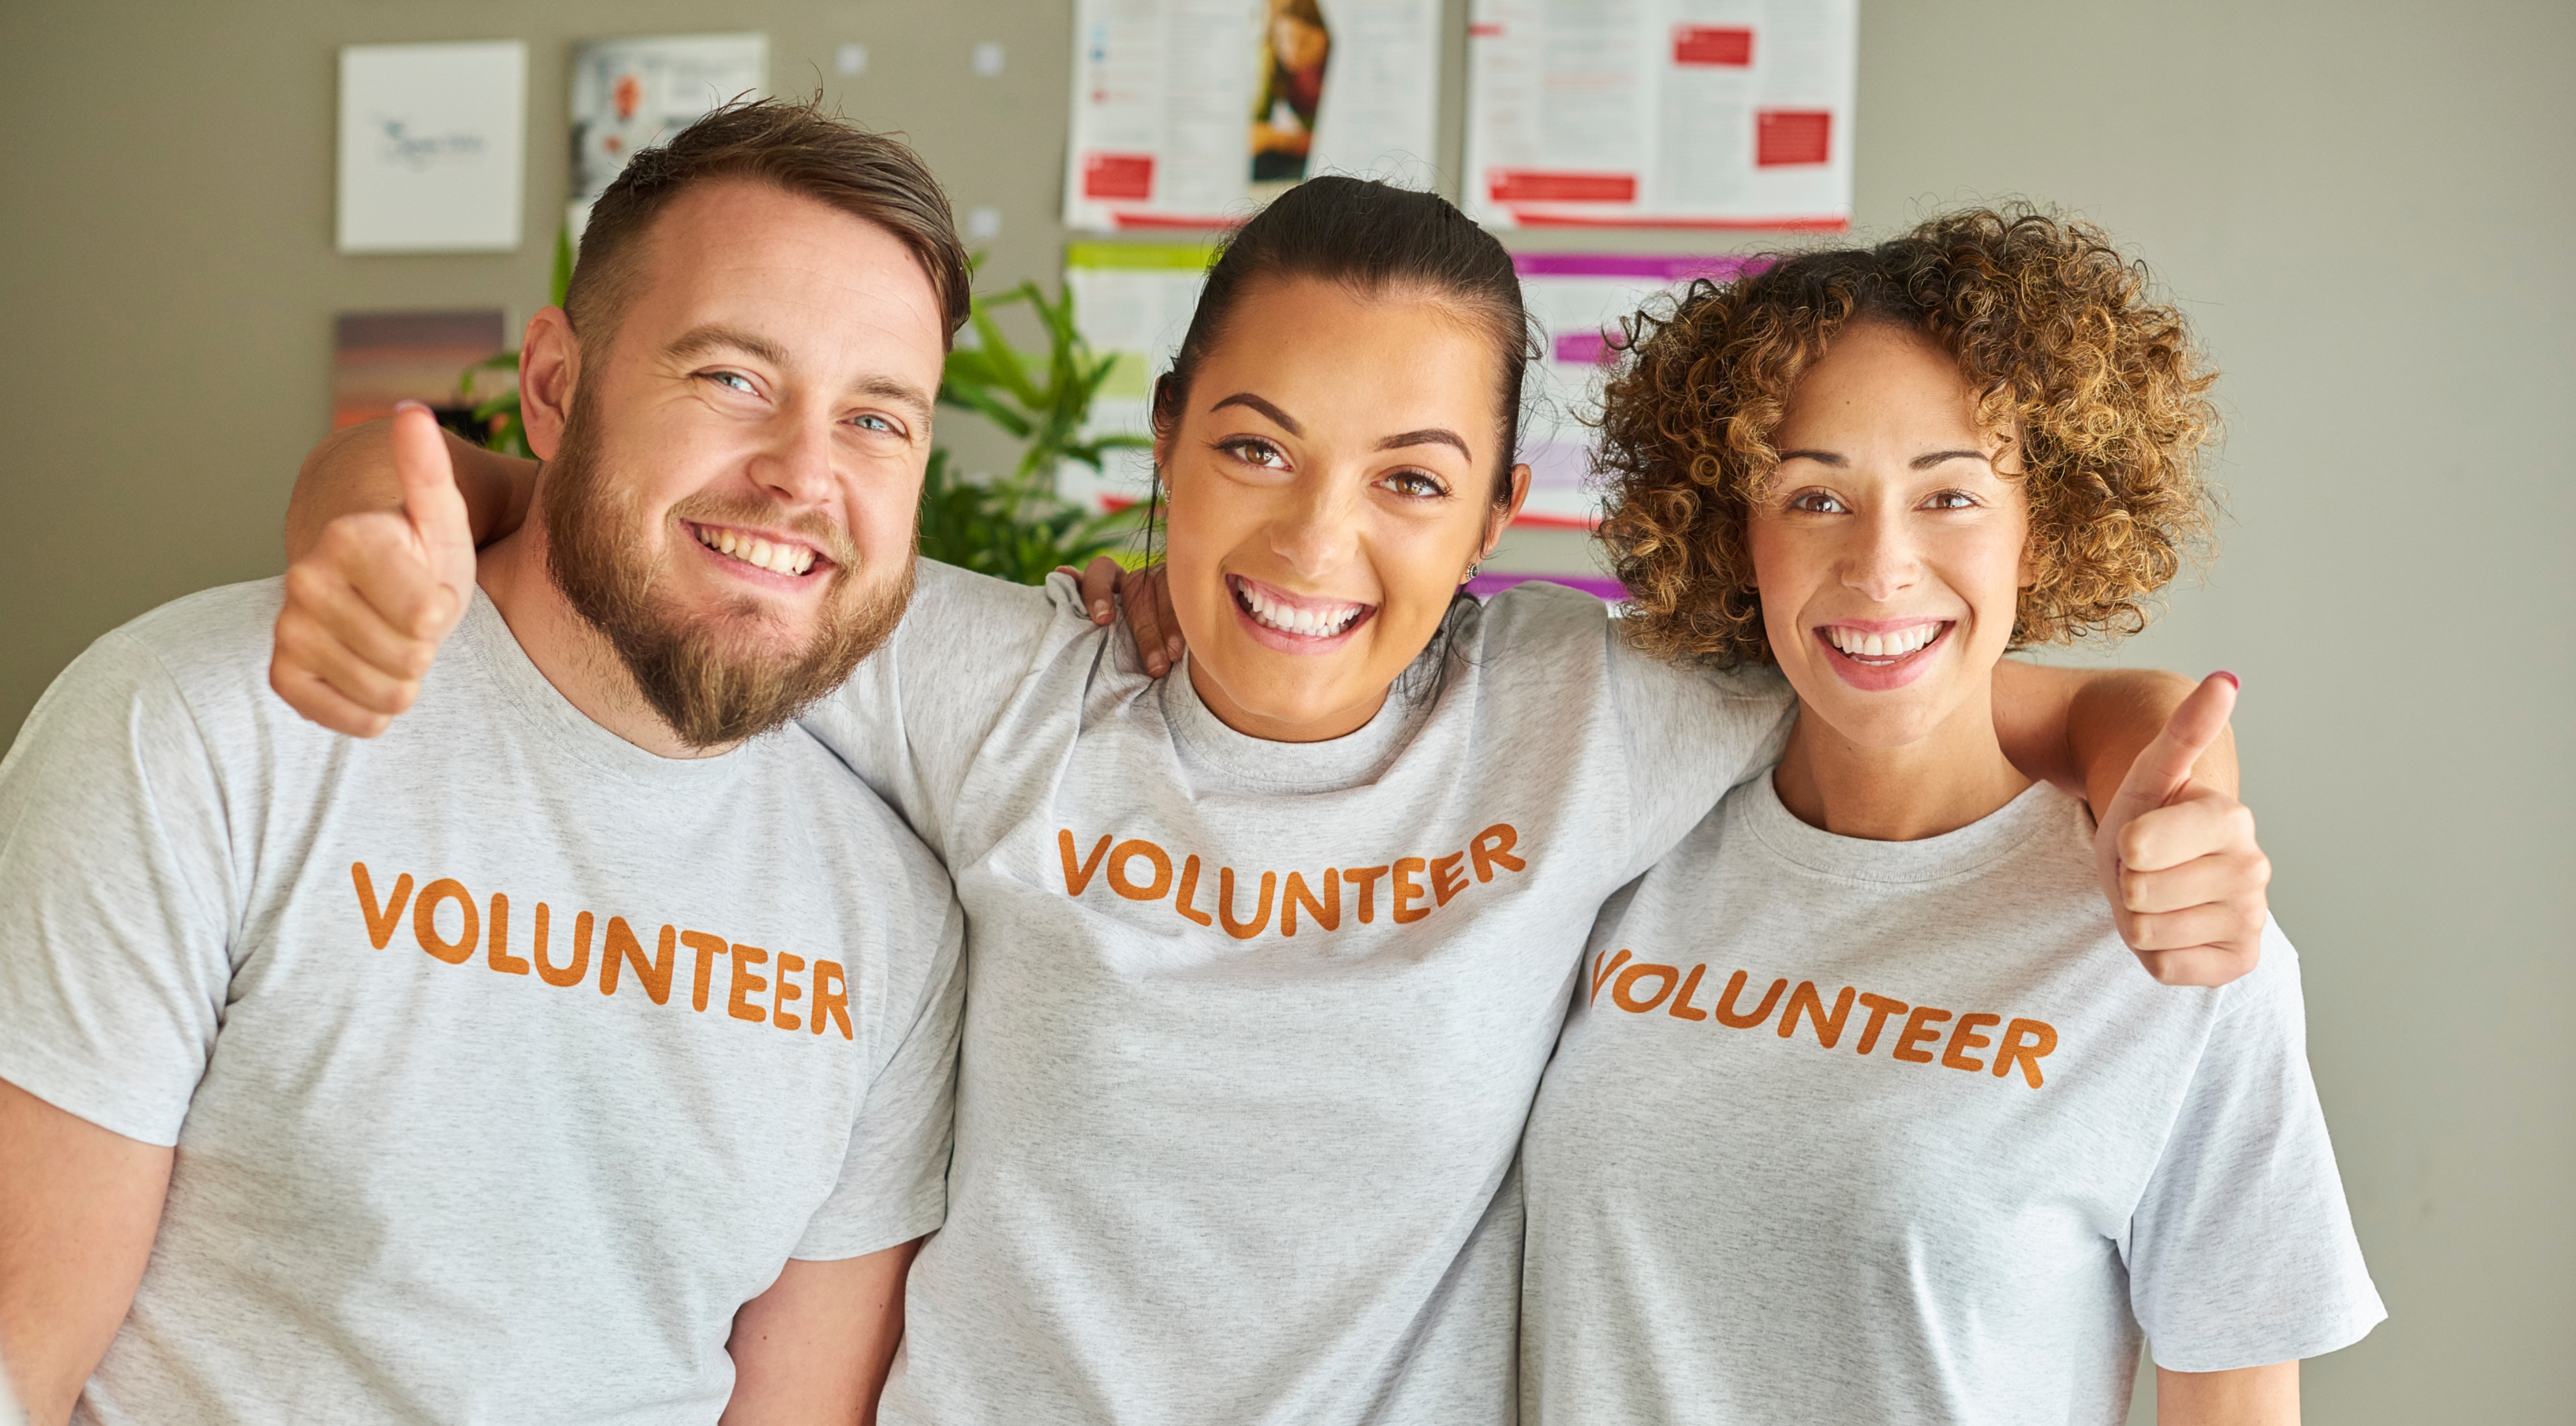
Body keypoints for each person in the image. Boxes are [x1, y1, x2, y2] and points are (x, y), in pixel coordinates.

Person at [271, 177, 2273, 1424]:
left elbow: (1912, 646)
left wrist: (2137, 752)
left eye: (1409, 477)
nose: (1316, 538)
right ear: (1160, 450)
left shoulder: (1591, 713)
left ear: (1500, 520)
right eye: (1252, 447)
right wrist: (367, 482)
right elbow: (622, 534)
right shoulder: (1013, 690)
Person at [0, 101, 974, 1424]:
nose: (804, 476)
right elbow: (15, 1354)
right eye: (734, 376)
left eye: (878, 420)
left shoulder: (896, 920)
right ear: (558, 387)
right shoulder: (196, 727)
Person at [1516, 209, 2381, 1425]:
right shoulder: (1627, 842)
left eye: (1952, 498)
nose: (1881, 568)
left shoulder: (2179, 942)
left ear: (2045, 528)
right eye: (1815, 498)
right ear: (1736, 532)